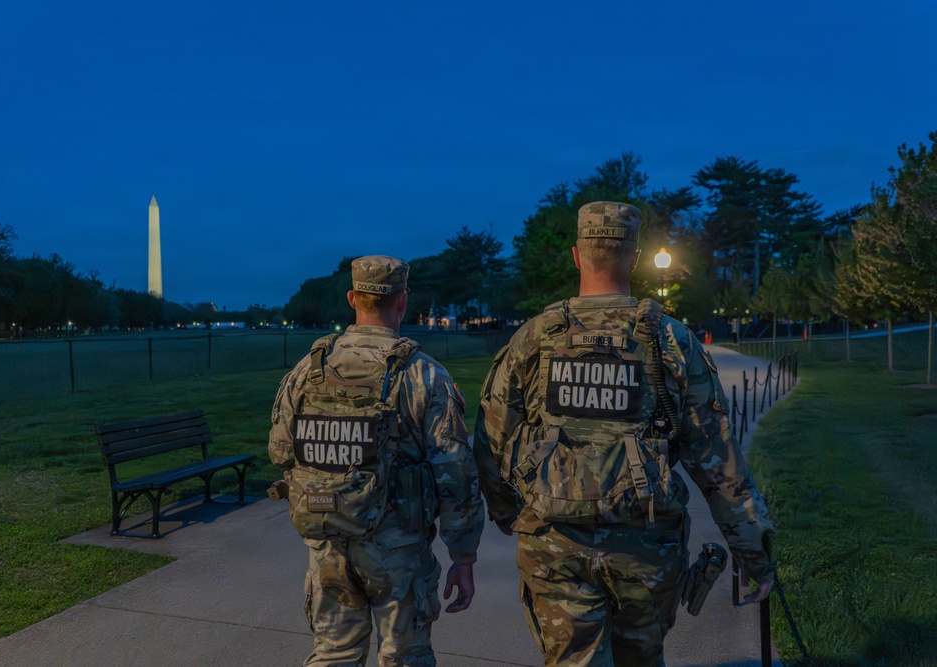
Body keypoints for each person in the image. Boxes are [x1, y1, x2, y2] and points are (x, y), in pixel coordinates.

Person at [474, 202, 775, 667]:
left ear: (577, 256)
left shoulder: (533, 338)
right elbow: (716, 458)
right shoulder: (671, 341)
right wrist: (752, 551)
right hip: (647, 549)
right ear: (633, 258)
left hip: (555, 544)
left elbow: (493, 441)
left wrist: (508, 515)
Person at [269, 255, 485, 667]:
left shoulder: (307, 370)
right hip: (398, 551)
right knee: (404, 657)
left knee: (334, 654)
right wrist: (463, 556)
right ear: (403, 301)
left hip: (328, 543)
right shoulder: (423, 375)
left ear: (353, 298)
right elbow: (455, 473)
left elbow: (280, 450)